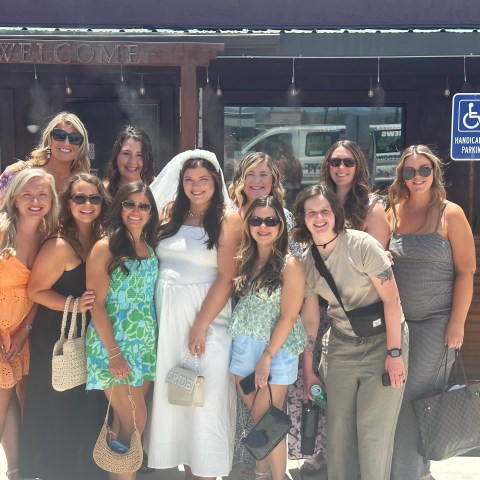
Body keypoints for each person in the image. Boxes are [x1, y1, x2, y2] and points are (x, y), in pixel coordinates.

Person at [294, 184, 408, 480]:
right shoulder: (307, 262)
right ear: (302, 219)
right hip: (341, 345)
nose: (319, 218)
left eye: (324, 211)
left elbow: (392, 300)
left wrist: (394, 354)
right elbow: (310, 319)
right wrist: (309, 371)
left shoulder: (362, 245)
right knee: (338, 433)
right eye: (311, 213)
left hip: (384, 341)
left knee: (373, 433)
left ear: (336, 213)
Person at [146, 149, 242, 480]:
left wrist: (200, 325)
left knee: (205, 401)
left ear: (216, 182)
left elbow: (228, 277)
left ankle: (204, 473)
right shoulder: (171, 213)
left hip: (208, 320)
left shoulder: (228, 219)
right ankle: (188, 472)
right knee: (178, 397)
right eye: (189, 180)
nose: (196, 186)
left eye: (203, 180)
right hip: (170, 323)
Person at [388, 145, 475, 480]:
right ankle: (419, 474)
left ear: (434, 173)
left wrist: (457, 323)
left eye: (423, 170)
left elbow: (466, 271)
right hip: (398, 326)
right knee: (399, 398)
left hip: (436, 325)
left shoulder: (450, 213)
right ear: (402, 176)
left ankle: (408, 474)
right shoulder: (392, 211)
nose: (417, 177)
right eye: (409, 171)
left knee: (414, 397)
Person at [20, 173, 109, 480]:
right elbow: (35, 291)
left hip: (88, 335)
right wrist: (73, 304)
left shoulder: (100, 238)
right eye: (79, 198)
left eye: (94, 198)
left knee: (82, 410)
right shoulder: (59, 244)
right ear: (68, 203)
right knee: (56, 410)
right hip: (57, 339)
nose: (87, 204)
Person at [229, 152, 302, 478]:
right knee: (262, 421)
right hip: (243, 349)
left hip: (275, 352)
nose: (263, 226)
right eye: (257, 221)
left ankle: (272, 476)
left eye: (271, 221)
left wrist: (267, 358)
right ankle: (261, 473)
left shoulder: (289, 263)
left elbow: (289, 315)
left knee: (270, 421)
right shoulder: (246, 257)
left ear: (282, 224)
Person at [86, 182, 159, 480]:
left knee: (126, 422)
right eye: (130, 204)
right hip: (113, 344)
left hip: (143, 345)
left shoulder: (149, 245)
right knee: (135, 418)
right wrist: (114, 353)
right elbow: (96, 305)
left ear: (151, 211)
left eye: (143, 205)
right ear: (119, 207)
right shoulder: (105, 247)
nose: (136, 211)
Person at [0, 168, 58, 480]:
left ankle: (15, 470)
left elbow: (38, 293)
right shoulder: (1, 231)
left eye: (42, 194)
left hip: (19, 333)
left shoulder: (51, 236)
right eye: (27, 194)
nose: (35, 200)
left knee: (12, 400)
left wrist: (25, 331)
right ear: (15, 198)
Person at [0, 111, 90, 196]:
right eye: (59, 135)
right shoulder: (16, 173)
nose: (66, 143)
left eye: (75, 138)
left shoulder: (83, 185)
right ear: (48, 139)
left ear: (81, 146)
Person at [103, 126, 155, 198]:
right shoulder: (102, 192)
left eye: (139, 155)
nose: (132, 161)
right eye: (126, 153)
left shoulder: (159, 187)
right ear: (116, 155)